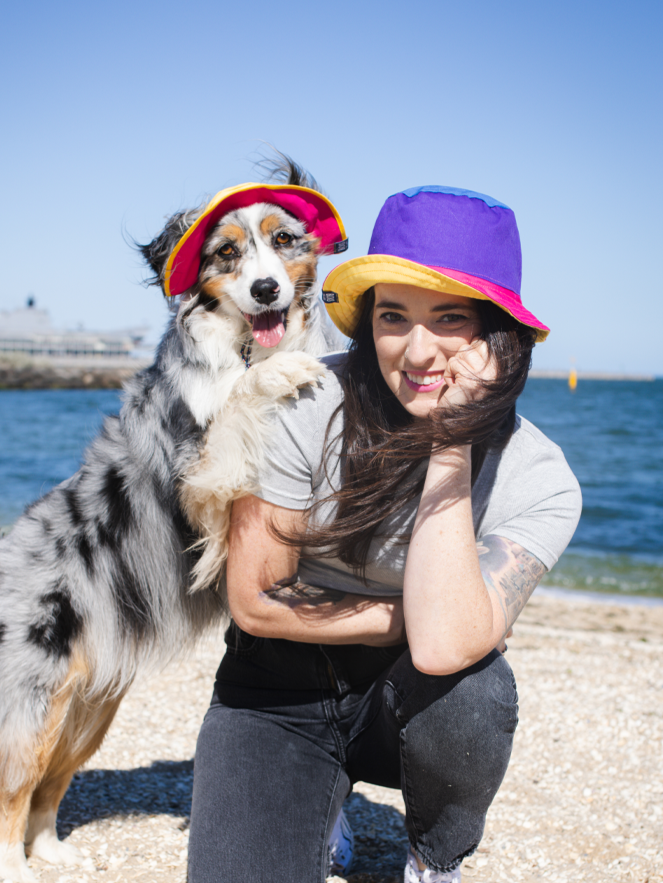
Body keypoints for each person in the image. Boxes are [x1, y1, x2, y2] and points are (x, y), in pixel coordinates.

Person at [187, 186, 582, 883]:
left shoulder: (540, 478)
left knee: (474, 689)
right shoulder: (300, 405)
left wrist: (450, 445)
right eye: (393, 316)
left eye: (450, 318)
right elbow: (253, 601)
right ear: (367, 324)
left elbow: (442, 651)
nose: (418, 350)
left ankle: (433, 857)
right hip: (273, 682)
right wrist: (421, 615)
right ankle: (320, 799)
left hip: (411, 697)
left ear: (499, 335)